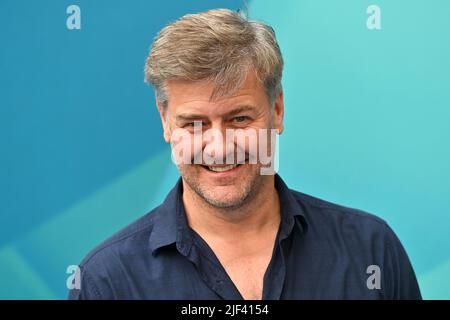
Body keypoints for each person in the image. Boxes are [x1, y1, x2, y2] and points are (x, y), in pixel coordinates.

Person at [68, 9, 421, 300]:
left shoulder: (371, 250)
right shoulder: (106, 281)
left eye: (239, 118)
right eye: (194, 124)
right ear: (165, 121)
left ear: (277, 109)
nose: (219, 147)